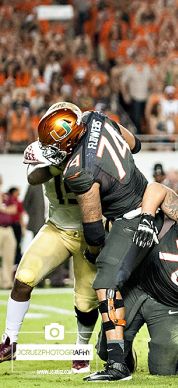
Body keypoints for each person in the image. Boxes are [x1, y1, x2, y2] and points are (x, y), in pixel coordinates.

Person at [36, 101, 148, 381]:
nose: (53, 153)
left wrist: (93, 253)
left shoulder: (76, 169)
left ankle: (117, 365)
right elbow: (135, 145)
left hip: (128, 219)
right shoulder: (96, 117)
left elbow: (95, 230)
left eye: (54, 146)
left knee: (104, 283)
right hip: (148, 198)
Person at [0, 140, 99, 373]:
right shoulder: (47, 148)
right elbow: (33, 177)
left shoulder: (93, 149)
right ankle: (9, 341)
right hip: (57, 228)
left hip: (91, 232)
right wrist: (57, 165)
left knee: (85, 301)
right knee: (24, 277)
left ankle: (81, 349)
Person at [96, 182, 178, 375]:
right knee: (107, 351)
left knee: (166, 370)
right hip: (138, 286)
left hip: (173, 307)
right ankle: (125, 354)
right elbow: (158, 188)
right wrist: (147, 218)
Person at [0, 174, 17, 290]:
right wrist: (6, 209)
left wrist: (2, 209)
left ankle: (6, 282)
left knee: (9, 255)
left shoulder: (6, 195)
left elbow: (14, 209)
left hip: (8, 228)